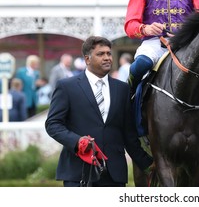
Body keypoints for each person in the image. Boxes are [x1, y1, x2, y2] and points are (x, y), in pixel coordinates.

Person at [45, 36, 153, 187]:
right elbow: (53, 124)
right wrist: (77, 142)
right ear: (87, 59)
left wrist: (148, 165)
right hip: (78, 172)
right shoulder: (66, 86)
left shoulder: (122, 89)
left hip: (114, 175)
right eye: (101, 54)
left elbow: (129, 134)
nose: (107, 58)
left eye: (109, 53)